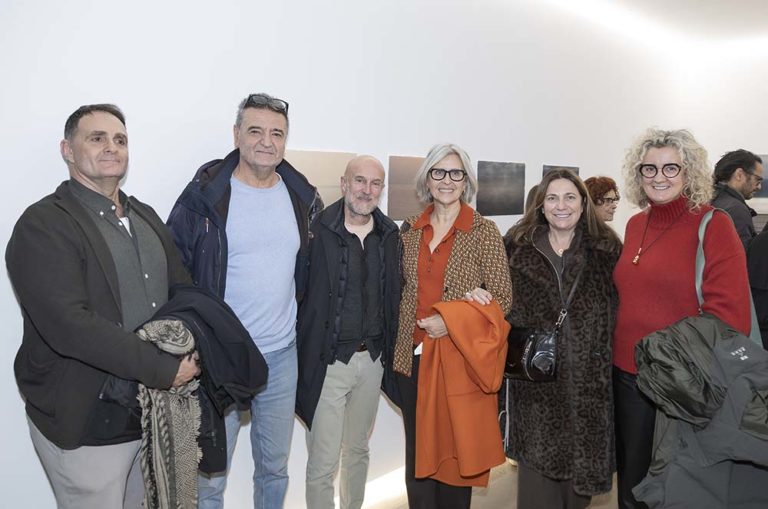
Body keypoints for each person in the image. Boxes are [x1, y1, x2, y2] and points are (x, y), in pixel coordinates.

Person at [6, 104, 200, 509]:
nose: (112, 147)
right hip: (88, 419)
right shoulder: (42, 225)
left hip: (148, 415)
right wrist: (164, 369)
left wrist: (196, 346)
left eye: (120, 140)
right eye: (97, 138)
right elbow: (69, 325)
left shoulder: (145, 216)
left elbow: (182, 292)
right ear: (67, 150)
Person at [166, 93, 323, 509]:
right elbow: (173, 270)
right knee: (210, 476)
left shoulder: (301, 196)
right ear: (237, 135)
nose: (266, 142)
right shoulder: (204, 197)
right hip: (220, 358)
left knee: (274, 469)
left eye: (277, 133)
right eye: (256, 131)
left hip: (281, 356)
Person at [612, 128, 752, 509]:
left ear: (689, 171)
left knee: (676, 487)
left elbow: (730, 317)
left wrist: (675, 364)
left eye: (671, 167)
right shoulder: (635, 224)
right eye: (650, 168)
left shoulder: (713, 225)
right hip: (628, 377)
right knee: (632, 484)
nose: (659, 177)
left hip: (680, 383)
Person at [392, 143, 512, 508]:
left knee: (457, 451)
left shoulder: (483, 230)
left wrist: (450, 320)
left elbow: (503, 298)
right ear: (427, 180)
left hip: (458, 358)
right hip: (411, 358)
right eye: (439, 172)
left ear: (466, 181)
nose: (447, 180)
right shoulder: (409, 229)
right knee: (418, 451)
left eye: (456, 173)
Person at [502, 168, 621, 508]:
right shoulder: (516, 248)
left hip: (588, 388)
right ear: (541, 205)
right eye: (552, 198)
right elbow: (495, 301)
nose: (561, 206)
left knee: (577, 494)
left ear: (583, 203)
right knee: (537, 494)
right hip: (535, 389)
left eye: (570, 197)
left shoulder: (607, 249)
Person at [296, 155, 400, 509]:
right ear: (344, 184)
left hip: (372, 361)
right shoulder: (316, 231)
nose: (366, 190)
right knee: (323, 461)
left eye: (375, 183)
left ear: (381, 189)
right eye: (359, 180)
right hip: (329, 363)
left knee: (358, 451)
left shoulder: (390, 235)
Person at [711, 149, 763, 249]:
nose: (759, 187)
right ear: (739, 174)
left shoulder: (709, 199)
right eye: (757, 180)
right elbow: (742, 255)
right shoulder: (736, 209)